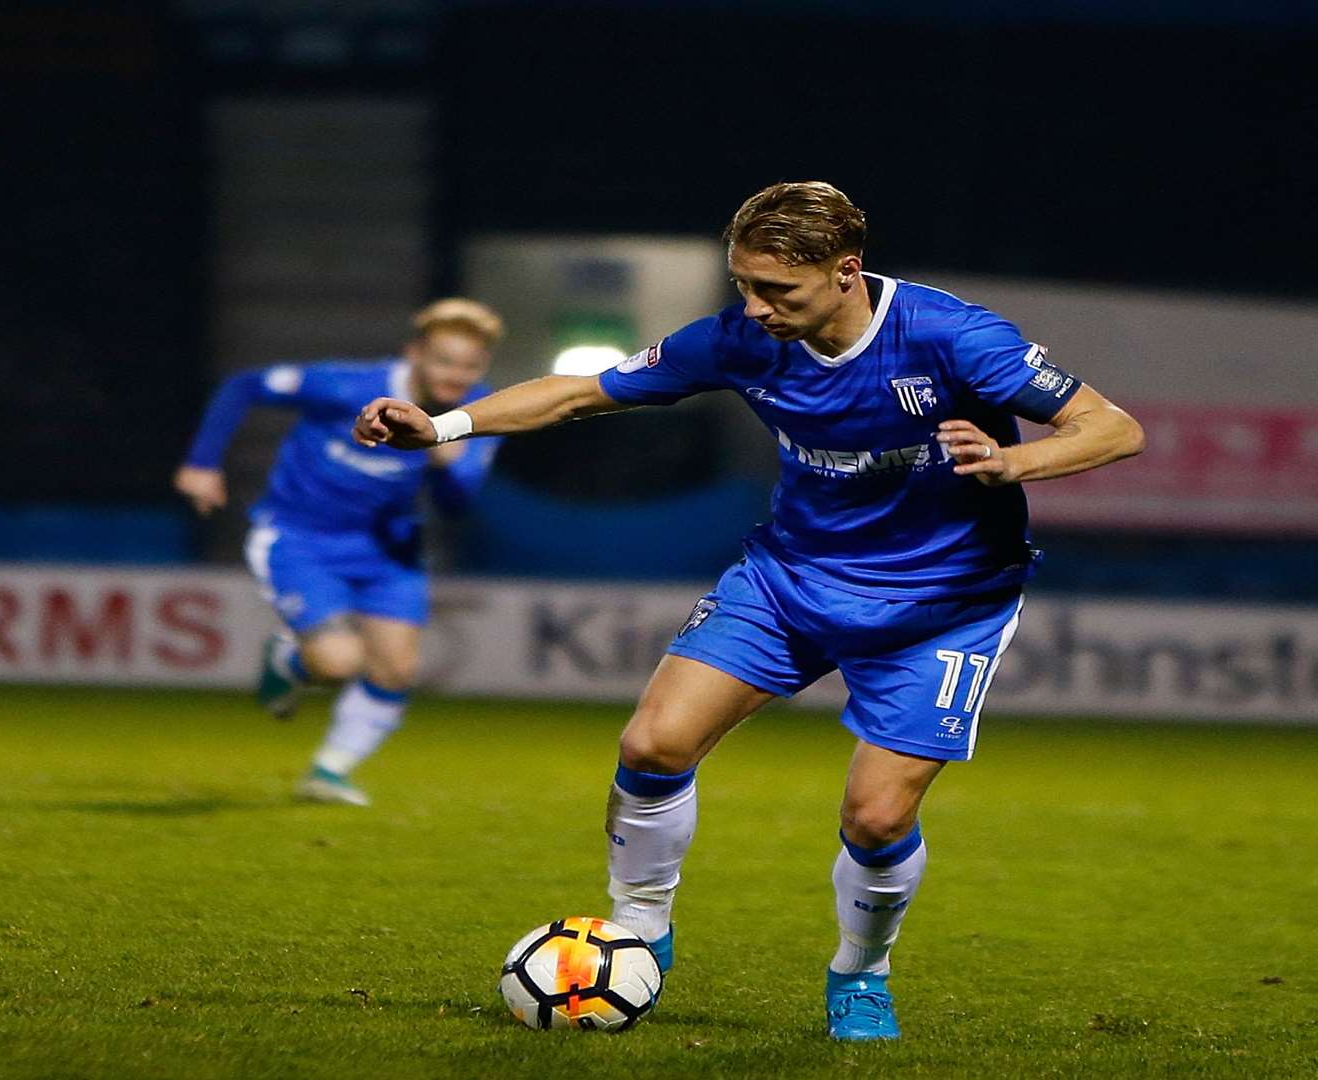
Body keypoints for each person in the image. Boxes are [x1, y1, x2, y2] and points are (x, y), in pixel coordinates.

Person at [353, 182, 1145, 1040]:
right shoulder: (737, 340)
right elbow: (580, 392)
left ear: (847, 271)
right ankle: (644, 929)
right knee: (652, 744)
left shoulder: (952, 336)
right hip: (791, 579)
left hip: (943, 603)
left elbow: (1112, 428)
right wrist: (441, 429)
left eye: (779, 291)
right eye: (744, 286)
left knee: (877, 817)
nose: (756, 308)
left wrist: (1010, 465)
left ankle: (860, 973)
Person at [175, 299, 504, 806]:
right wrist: (202, 463)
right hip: (300, 538)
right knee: (337, 663)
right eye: (444, 360)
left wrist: (444, 456)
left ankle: (328, 771)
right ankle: (290, 659)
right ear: (413, 353)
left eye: (470, 365)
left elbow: (456, 503)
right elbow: (245, 387)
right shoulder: (346, 385)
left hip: (390, 549)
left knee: (396, 668)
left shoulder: (477, 411)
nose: (457, 375)